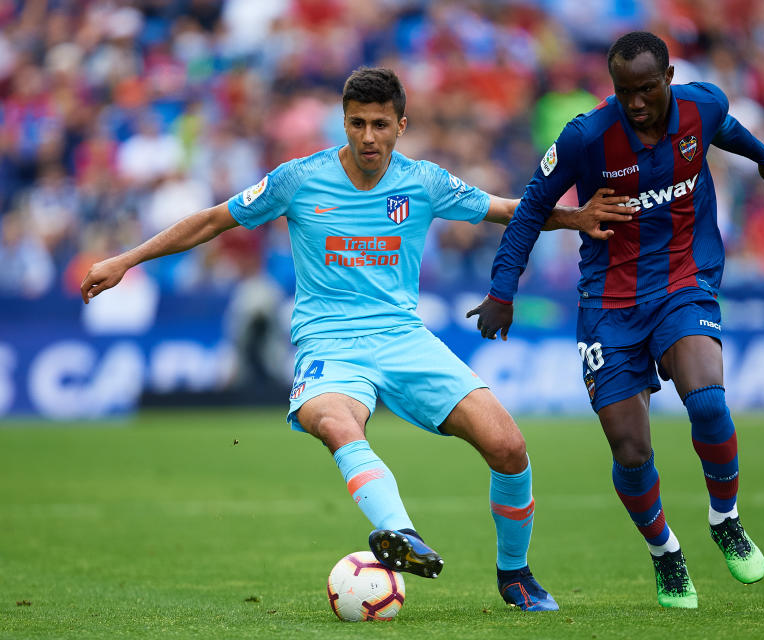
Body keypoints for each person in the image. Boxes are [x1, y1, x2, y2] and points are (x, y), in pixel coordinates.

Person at [80, 67, 633, 612]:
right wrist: (126, 260)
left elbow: (508, 210)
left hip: (403, 339)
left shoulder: (424, 181)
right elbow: (212, 220)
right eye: (357, 123)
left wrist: (575, 218)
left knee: (509, 448)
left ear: (401, 125)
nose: (368, 136)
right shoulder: (297, 179)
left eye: (380, 125)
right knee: (335, 423)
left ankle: (515, 576)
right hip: (328, 345)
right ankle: (399, 533)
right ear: (343, 123)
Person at [468, 32, 764, 609]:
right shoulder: (586, 137)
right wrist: (501, 291)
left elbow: (726, 128)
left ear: (667, 78)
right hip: (608, 304)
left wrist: (762, 156)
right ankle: (666, 554)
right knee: (631, 450)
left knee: (708, 401)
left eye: (645, 90)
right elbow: (532, 208)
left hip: (685, 281)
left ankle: (726, 519)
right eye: (623, 91)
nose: (635, 103)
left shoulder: (702, 104)